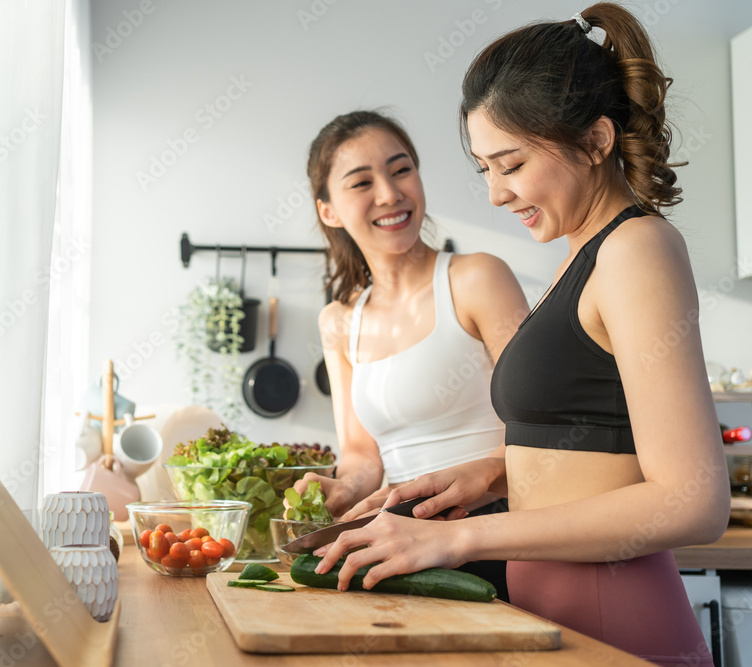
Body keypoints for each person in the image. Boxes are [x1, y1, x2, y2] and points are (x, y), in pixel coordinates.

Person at [313, 5, 730, 666]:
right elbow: (594, 450)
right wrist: (486, 476)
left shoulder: (636, 249)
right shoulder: (580, 252)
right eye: (484, 169)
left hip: (616, 629)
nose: (495, 194)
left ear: (596, 141)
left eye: (510, 164)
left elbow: (694, 500)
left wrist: (457, 542)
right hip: (550, 623)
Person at [294, 109, 530, 599]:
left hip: (495, 529)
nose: (390, 193)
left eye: (401, 170)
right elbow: (362, 456)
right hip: (402, 541)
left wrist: (481, 482)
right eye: (361, 182)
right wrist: (341, 490)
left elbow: (538, 425)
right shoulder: (339, 321)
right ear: (329, 211)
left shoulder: (476, 278)